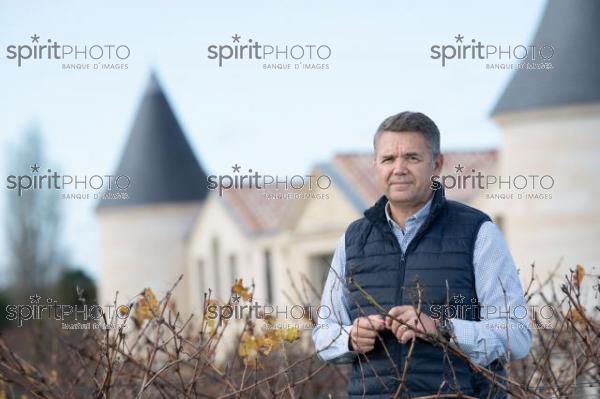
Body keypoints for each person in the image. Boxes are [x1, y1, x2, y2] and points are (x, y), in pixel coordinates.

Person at [312, 111, 531, 398]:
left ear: (436, 164)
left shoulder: (478, 232)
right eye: (388, 159)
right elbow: (323, 335)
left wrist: (442, 328)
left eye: (412, 158)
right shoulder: (352, 239)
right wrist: (350, 337)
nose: (399, 168)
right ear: (376, 165)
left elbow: (517, 335)